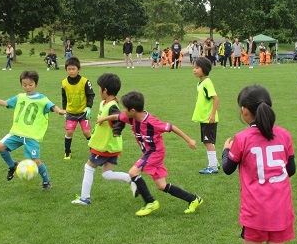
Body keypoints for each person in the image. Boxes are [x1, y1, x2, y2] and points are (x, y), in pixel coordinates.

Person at [222, 85, 296, 244]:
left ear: (245, 111)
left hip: (255, 210)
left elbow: (227, 168)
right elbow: (291, 169)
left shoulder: (242, 139)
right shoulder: (284, 135)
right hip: (281, 209)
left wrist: (226, 150)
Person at [97, 90, 203, 217]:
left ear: (133, 111)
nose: (122, 110)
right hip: (149, 152)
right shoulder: (132, 118)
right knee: (162, 185)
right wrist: (104, 118)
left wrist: (189, 140)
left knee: (133, 172)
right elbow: (117, 116)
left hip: (155, 152)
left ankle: (150, 202)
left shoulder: (151, 122)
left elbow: (171, 127)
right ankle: (194, 199)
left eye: (124, 108)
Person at [0, 70, 65, 190]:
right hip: (17, 132)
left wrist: (59, 110)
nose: (27, 87)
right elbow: (6, 103)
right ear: (21, 85)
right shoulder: (20, 97)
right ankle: (12, 166)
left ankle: (46, 181)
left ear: (36, 84)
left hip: (32, 136)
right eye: (24, 85)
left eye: (30, 84)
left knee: (36, 161)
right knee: (0, 146)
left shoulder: (42, 99)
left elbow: (52, 106)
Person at [71, 73, 132, 205]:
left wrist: (114, 128)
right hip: (108, 146)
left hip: (105, 147)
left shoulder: (112, 107)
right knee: (107, 173)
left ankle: (84, 198)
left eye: (99, 88)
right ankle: (131, 179)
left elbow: (121, 118)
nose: (98, 91)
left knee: (88, 167)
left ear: (105, 90)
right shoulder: (104, 103)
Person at [61, 57, 95, 160]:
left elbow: (91, 95)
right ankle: (67, 152)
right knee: (69, 132)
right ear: (66, 70)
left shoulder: (85, 82)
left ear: (79, 69)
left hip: (83, 112)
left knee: (87, 132)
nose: (71, 71)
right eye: (69, 69)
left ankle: (94, 152)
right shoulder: (64, 83)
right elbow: (64, 97)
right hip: (71, 112)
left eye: (73, 69)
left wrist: (88, 107)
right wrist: (64, 110)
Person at [192, 57, 220, 174]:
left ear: (204, 69)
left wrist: (212, 115)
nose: (194, 70)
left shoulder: (207, 83)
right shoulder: (201, 83)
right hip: (204, 118)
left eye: (197, 68)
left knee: (208, 141)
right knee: (208, 141)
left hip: (208, 118)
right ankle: (215, 163)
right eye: (193, 67)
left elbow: (216, 98)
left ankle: (212, 166)